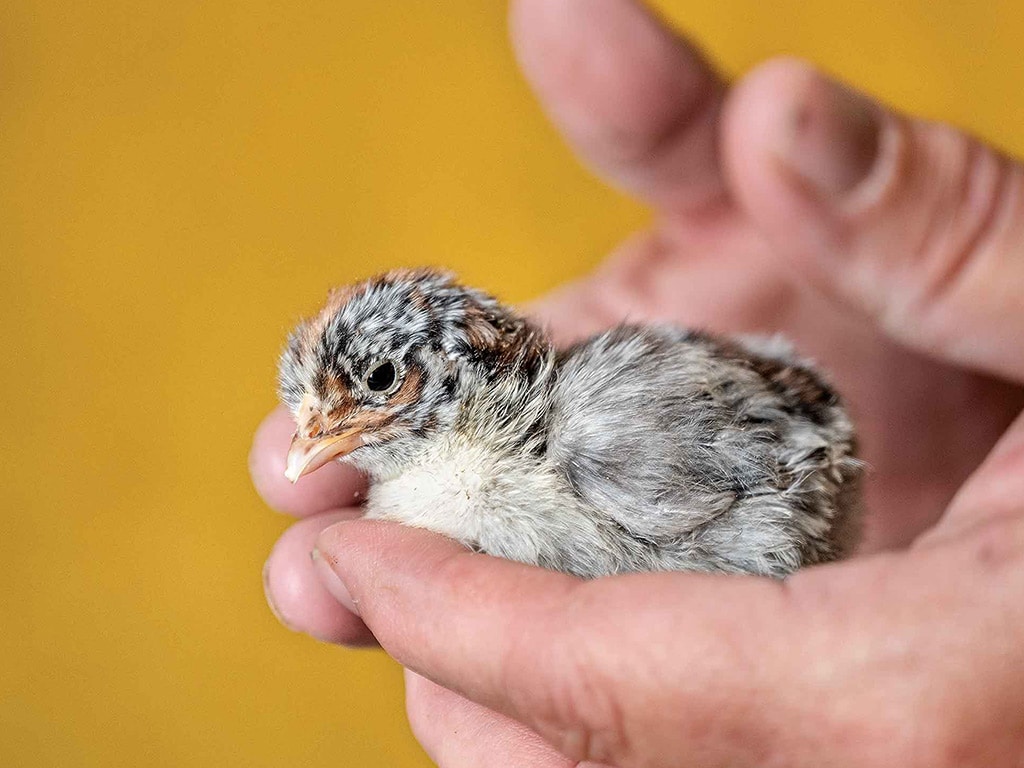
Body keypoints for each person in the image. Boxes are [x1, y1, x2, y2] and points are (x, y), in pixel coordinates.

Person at [251, 1, 1024, 765]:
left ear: (460, 365)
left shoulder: (604, 430)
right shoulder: (430, 516)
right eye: (314, 415)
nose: (321, 436)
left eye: (379, 381)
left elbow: (798, 463)